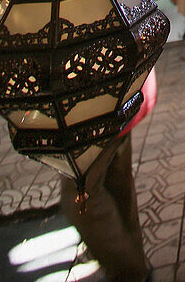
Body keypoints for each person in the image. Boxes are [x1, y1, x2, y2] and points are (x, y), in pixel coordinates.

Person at [59, 51, 157, 282]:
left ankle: (130, 274)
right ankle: (137, 271)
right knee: (116, 186)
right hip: (122, 86)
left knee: (80, 198)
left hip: (100, 98)